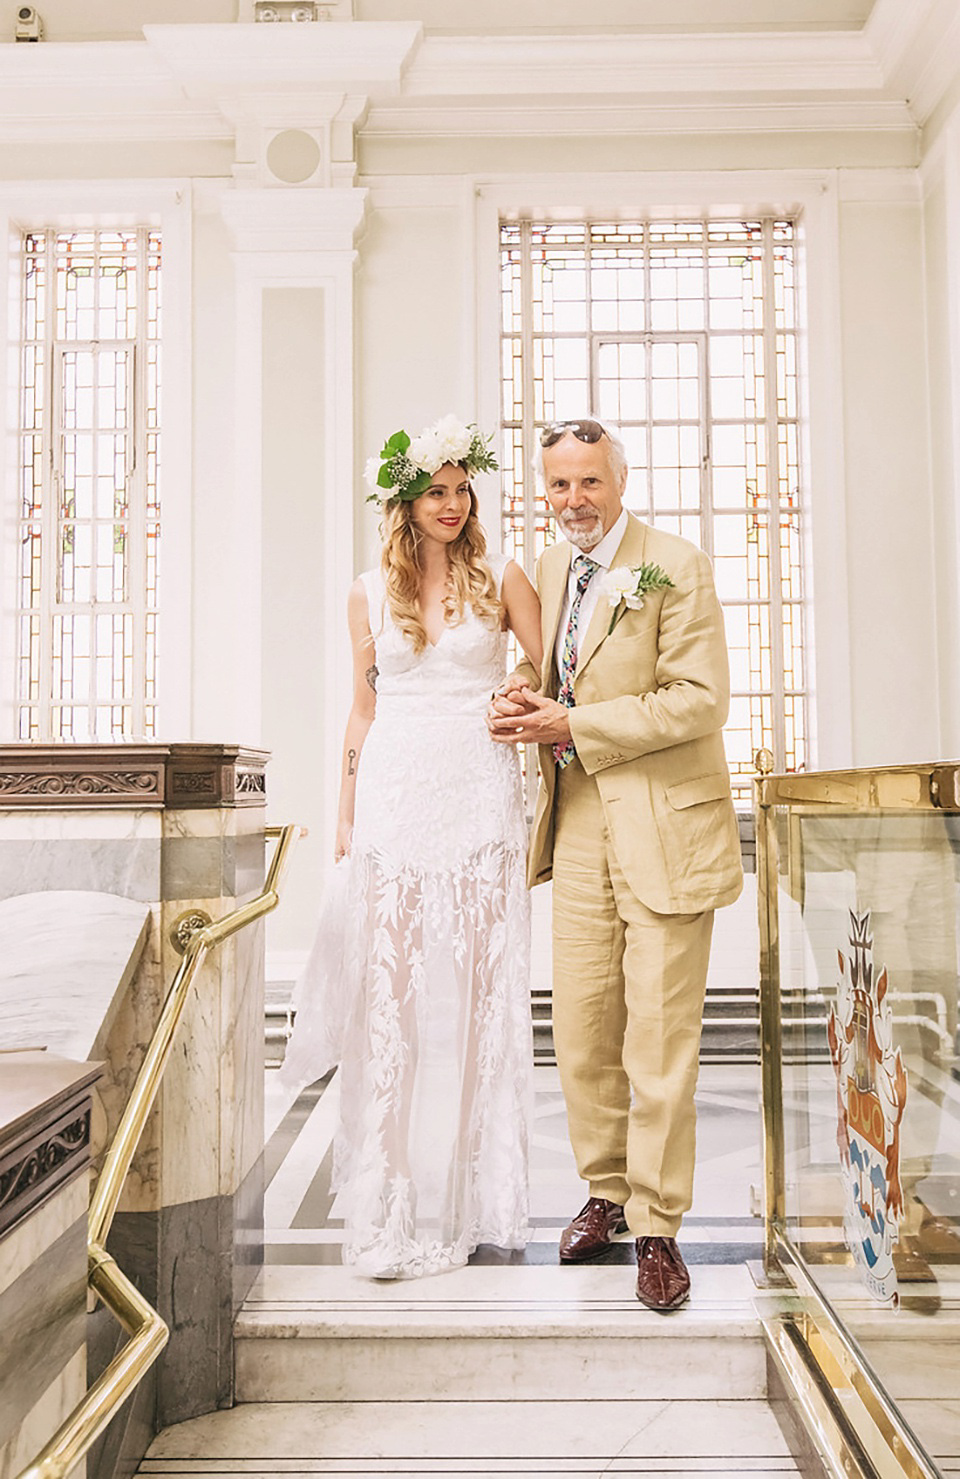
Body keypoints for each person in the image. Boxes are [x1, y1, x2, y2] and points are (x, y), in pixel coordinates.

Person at [488, 416, 743, 1310]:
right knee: (585, 1024)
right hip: (579, 817)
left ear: (619, 481)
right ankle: (604, 1189)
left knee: (659, 1036)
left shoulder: (677, 562)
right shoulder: (554, 568)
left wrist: (573, 725)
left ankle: (659, 1225)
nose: (572, 501)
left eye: (588, 482)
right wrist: (521, 693)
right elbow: (554, 666)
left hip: (665, 822)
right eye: (557, 485)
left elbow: (699, 700)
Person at [284, 414, 542, 1281]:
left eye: (463, 489)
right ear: (404, 498)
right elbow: (364, 709)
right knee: (386, 1000)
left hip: (477, 794)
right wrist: (347, 811)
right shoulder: (367, 590)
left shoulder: (503, 575)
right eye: (436, 489)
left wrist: (517, 683)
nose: (453, 503)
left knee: (472, 999)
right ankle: (388, 1195)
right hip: (394, 790)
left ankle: (462, 1198)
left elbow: (542, 675)